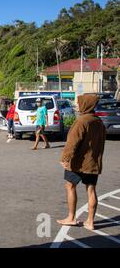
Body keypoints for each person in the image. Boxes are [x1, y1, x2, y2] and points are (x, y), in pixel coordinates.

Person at [57, 94, 106, 231]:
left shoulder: (81, 121)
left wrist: (65, 159)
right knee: (91, 189)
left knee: (70, 186)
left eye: (79, 103)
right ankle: (90, 221)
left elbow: (72, 143)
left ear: (86, 104)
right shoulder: (98, 122)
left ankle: (71, 217)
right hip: (93, 162)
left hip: (78, 162)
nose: (77, 106)